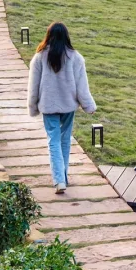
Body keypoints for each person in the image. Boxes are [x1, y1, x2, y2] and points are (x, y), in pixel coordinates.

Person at [27, 21, 96, 194]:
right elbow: (82, 86)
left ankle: (59, 180)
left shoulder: (40, 57)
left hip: (48, 105)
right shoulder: (75, 57)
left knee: (53, 141)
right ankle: (62, 177)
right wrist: (88, 106)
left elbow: (33, 86)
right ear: (67, 36)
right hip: (68, 105)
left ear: (48, 36)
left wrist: (32, 106)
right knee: (64, 140)